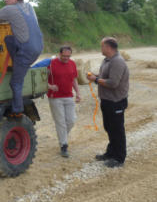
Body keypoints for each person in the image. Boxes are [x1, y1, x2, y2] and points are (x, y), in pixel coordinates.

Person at [87, 37, 129, 168]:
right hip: (107, 101)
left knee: (117, 130)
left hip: (116, 101)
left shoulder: (117, 61)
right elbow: (104, 77)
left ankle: (119, 158)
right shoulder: (107, 60)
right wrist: (95, 76)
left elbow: (113, 83)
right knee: (110, 128)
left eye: (102, 46)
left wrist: (95, 79)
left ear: (109, 47)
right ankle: (111, 153)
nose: (101, 49)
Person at [47, 46, 81, 158]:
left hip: (68, 96)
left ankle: (62, 138)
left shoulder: (72, 63)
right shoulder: (51, 64)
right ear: (59, 54)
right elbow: (41, 79)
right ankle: (64, 146)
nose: (66, 58)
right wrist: (50, 86)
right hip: (55, 97)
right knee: (60, 122)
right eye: (64, 56)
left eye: (68, 56)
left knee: (71, 120)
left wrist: (78, 93)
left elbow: (74, 79)